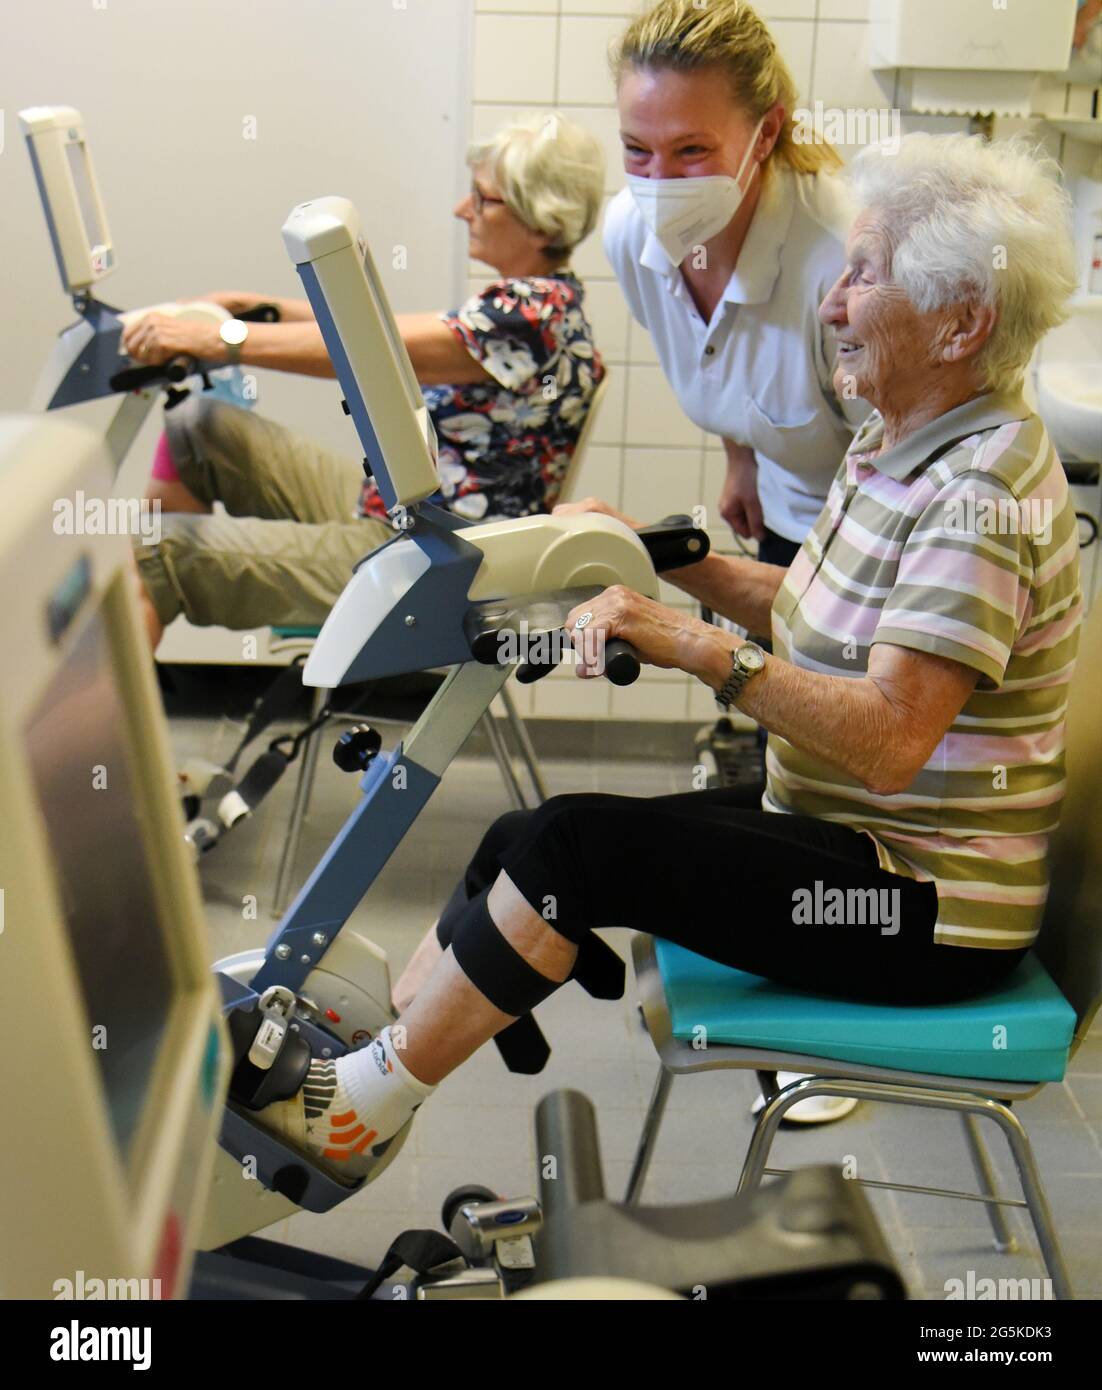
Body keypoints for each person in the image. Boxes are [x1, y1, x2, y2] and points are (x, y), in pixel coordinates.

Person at [259, 131, 1081, 1178]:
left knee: (574, 852)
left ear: (961, 322)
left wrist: (696, 651)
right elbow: (820, 610)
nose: (831, 305)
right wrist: (654, 555)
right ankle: (383, 1064)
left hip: (917, 906)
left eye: (862, 279)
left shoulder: (977, 496)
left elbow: (888, 742)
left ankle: (350, 1106)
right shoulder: (906, 437)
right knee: (526, 834)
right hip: (849, 836)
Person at [122, 115, 606, 647]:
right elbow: (382, 334)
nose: (463, 210)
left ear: (541, 223)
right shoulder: (533, 308)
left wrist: (221, 340)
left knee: (155, 550)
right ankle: (162, 598)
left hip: (434, 561)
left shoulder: (529, 318)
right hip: (403, 512)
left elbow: (366, 352)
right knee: (198, 427)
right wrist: (252, 310)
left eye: (483, 200)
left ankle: (145, 619)